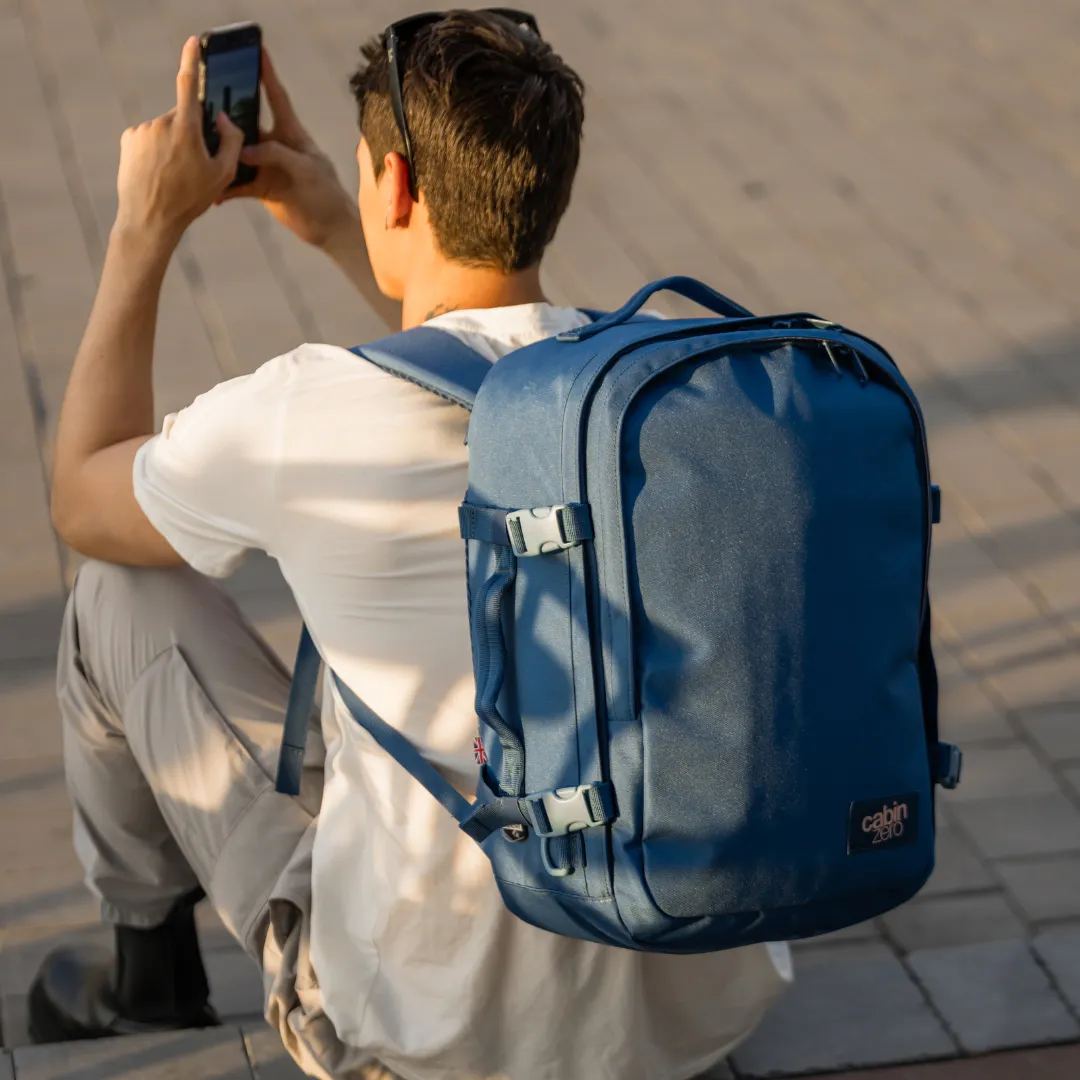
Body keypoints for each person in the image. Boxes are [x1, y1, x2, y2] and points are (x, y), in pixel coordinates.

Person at [33, 11, 791, 1079]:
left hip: (431, 1040)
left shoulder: (307, 411)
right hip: (694, 999)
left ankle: (144, 976)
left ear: (397, 187)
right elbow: (476, 354)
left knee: (118, 589)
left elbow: (81, 494)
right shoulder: (664, 382)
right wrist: (343, 221)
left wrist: (140, 231)